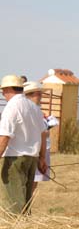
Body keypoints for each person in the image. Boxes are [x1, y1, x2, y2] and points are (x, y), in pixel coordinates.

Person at [0, 75, 47, 215]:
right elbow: (43, 134)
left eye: (3, 91)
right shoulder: (33, 107)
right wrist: (42, 158)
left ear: (8, 89)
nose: (3, 94)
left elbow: (5, 136)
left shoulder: (12, 106)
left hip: (14, 158)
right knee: (26, 200)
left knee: (14, 201)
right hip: (31, 158)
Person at [23, 82, 59, 194]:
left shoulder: (36, 110)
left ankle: (26, 208)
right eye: (38, 94)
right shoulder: (26, 110)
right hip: (30, 151)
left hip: (38, 150)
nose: (40, 96)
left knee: (33, 183)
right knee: (27, 183)